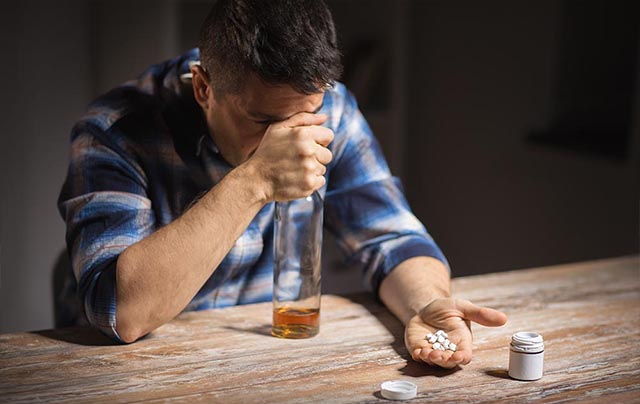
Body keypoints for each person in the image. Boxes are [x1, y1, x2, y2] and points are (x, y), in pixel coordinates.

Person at [58, 0, 506, 369]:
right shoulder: (113, 129)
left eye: (303, 115)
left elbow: (391, 237)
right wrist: (254, 180)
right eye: (265, 120)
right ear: (203, 89)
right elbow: (121, 314)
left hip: (262, 353)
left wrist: (427, 304)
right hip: (127, 366)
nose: (291, 139)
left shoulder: (332, 108)